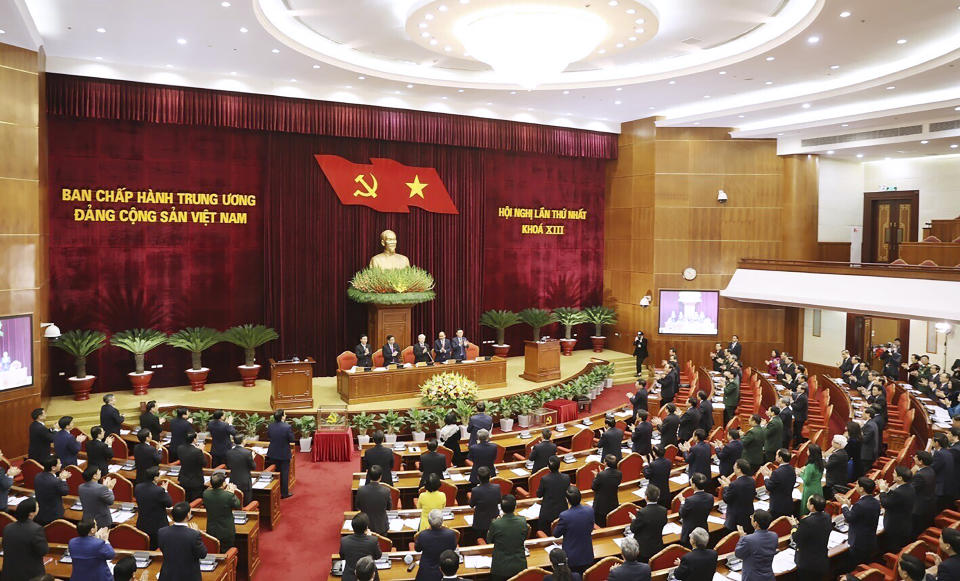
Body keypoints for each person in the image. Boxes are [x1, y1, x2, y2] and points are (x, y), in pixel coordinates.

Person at [158, 502, 208, 581]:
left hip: (168, 576)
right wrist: (196, 532)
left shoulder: (162, 532)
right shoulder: (194, 534)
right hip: (188, 577)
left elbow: (162, 549)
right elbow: (202, 554)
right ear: (188, 515)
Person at [0, 499, 47, 581]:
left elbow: (5, 546)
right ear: (31, 513)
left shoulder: (8, 527)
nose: (39, 508)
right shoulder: (36, 529)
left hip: (9, 573)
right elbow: (43, 551)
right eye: (37, 507)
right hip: (30, 575)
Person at [840, 477, 882, 570]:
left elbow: (849, 518)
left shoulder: (860, 505)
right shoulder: (876, 502)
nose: (856, 487)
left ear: (862, 489)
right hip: (870, 540)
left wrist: (844, 505)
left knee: (855, 567)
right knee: (865, 563)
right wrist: (851, 507)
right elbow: (861, 514)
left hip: (858, 543)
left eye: (857, 485)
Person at [553, 487, 594, 574]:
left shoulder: (565, 516)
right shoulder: (589, 510)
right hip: (587, 554)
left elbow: (556, 534)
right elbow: (590, 528)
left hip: (572, 558)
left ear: (567, 500)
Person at [488, 495, 529, 581]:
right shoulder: (523, 521)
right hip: (519, 566)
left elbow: (489, 540)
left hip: (500, 567)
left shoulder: (496, 523)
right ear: (515, 506)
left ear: (501, 508)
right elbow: (524, 537)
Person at [791, 494, 831, 581]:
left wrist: (794, 526)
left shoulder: (806, 522)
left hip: (807, 564)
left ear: (812, 506)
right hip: (821, 561)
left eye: (808, 501)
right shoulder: (827, 517)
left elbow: (796, 538)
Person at [878, 466, 917, 553]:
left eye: (894, 473)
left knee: (893, 548)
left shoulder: (899, 492)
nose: (892, 474)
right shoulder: (909, 487)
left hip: (895, 527)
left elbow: (885, 504)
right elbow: (898, 497)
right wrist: (888, 490)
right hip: (905, 523)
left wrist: (882, 491)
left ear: (900, 478)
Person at [134, 466, 173, 549]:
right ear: (155, 478)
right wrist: (165, 490)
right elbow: (169, 503)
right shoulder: (159, 491)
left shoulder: (138, 487)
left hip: (142, 523)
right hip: (157, 526)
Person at [414, 509, 458, 581]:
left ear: (429, 522)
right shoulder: (451, 534)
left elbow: (417, 549)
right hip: (446, 570)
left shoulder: (423, 535)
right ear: (442, 521)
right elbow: (453, 548)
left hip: (426, 573)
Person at [203, 472, 242, 550]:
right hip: (226, 531)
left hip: (211, 530)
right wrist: (231, 492)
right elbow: (238, 505)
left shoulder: (205, 494)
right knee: (227, 552)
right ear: (224, 484)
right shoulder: (228, 496)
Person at [734, 509, 776, 581]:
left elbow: (738, 554)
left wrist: (742, 536)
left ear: (755, 523)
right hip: (768, 577)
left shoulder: (748, 539)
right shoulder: (774, 536)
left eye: (752, 517)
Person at [630, 485, 667, 561]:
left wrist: (634, 519)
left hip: (644, 550)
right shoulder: (664, 510)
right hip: (658, 547)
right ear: (658, 497)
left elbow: (633, 529)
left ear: (646, 497)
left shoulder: (642, 513)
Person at [340, 513, 381, 581]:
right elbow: (378, 556)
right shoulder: (373, 540)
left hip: (350, 576)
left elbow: (342, 556)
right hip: (369, 575)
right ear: (366, 527)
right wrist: (369, 537)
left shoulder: (344, 541)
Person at [537, 456, 571, 535]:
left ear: (548, 467)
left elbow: (539, 495)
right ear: (559, 466)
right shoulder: (566, 478)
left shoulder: (544, 479)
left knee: (544, 532)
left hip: (547, 513)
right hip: (562, 511)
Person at [266, 409, 296, 498]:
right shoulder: (287, 427)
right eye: (285, 414)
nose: (286, 415)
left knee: (274, 472)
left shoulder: (270, 426)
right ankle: (284, 493)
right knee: (284, 473)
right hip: (283, 453)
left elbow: (269, 436)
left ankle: (274, 491)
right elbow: (292, 439)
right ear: (282, 416)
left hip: (272, 453)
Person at [721, 459, 755, 533]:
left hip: (735, 520)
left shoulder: (735, 484)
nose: (733, 467)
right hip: (748, 517)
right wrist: (730, 485)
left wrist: (726, 487)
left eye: (735, 466)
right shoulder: (752, 481)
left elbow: (726, 499)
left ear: (739, 469)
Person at [356, 465, 392, 535]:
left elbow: (358, 506)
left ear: (368, 476)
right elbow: (389, 507)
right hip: (381, 527)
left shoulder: (361, 490)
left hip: (365, 527)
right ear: (380, 477)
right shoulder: (386, 491)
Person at [679, 473, 713, 547]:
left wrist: (682, 502)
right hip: (703, 529)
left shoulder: (690, 500)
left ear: (694, 485)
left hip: (690, 532)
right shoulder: (710, 497)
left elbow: (682, 513)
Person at [760, 449, 796, 518]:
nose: (775, 456)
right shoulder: (792, 469)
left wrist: (766, 476)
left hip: (777, 507)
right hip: (788, 504)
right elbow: (782, 481)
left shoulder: (777, 473)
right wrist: (771, 475)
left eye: (777, 455)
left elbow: (769, 487)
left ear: (780, 458)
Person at [34, 456, 70, 525]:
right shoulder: (55, 482)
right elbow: (65, 491)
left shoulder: (37, 476)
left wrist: (59, 479)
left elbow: (50, 485)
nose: (61, 465)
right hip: (53, 515)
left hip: (40, 513)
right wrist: (63, 479)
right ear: (53, 467)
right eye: (59, 464)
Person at [469, 466, 501, 541]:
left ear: (478, 478)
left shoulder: (475, 490)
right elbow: (499, 501)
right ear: (490, 476)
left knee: (481, 539)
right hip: (494, 520)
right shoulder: (497, 487)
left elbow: (471, 505)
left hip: (480, 523)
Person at [912, 450, 937, 536]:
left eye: (915, 457)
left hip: (919, 508)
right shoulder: (931, 470)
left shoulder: (920, 475)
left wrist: (912, 473)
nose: (914, 458)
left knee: (916, 532)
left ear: (921, 461)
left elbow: (911, 489)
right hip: (929, 504)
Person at [591, 454, 622, 526]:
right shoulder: (619, 473)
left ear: (605, 463)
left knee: (600, 525)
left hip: (600, 506)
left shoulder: (601, 475)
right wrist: (601, 474)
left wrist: (596, 477)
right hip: (613, 504)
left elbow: (593, 487)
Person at [226, 434, 255, 505]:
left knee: (235, 504)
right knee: (246, 503)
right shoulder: (247, 453)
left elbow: (228, 466)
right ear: (243, 441)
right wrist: (253, 459)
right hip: (245, 482)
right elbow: (253, 467)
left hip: (233, 481)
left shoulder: (229, 452)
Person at [177, 431, 205, 502]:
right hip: (195, 481)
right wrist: (201, 451)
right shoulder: (197, 451)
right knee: (195, 502)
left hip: (183, 479)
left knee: (186, 500)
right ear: (194, 439)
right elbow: (204, 463)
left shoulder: (180, 448)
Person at [798, 444, 824, 514]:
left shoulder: (810, 466)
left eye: (808, 450)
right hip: (818, 488)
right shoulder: (821, 463)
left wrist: (800, 473)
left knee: (806, 510)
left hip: (809, 490)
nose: (806, 451)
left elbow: (807, 481)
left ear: (811, 452)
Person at [931, 433, 956, 509]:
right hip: (948, 486)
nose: (931, 442)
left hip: (939, 488)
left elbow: (932, 468)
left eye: (932, 441)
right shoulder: (948, 452)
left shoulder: (939, 453)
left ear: (937, 443)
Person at [824, 435, 850, 499]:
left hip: (834, 482)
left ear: (839, 445)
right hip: (840, 479)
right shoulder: (842, 452)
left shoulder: (836, 455)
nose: (832, 442)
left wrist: (821, 459)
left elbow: (827, 466)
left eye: (834, 441)